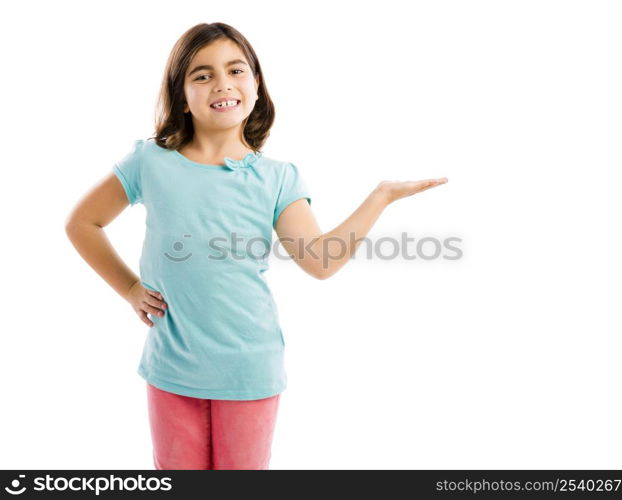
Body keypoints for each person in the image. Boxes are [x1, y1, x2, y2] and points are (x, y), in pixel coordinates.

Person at [64, 22, 448, 470]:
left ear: (256, 83)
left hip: (250, 372)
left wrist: (379, 197)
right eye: (202, 75)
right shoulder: (150, 161)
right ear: (180, 93)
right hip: (171, 369)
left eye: (236, 70)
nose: (222, 84)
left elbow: (320, 262)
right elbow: (83, 223)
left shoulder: (277, 177)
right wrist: (130, 288)